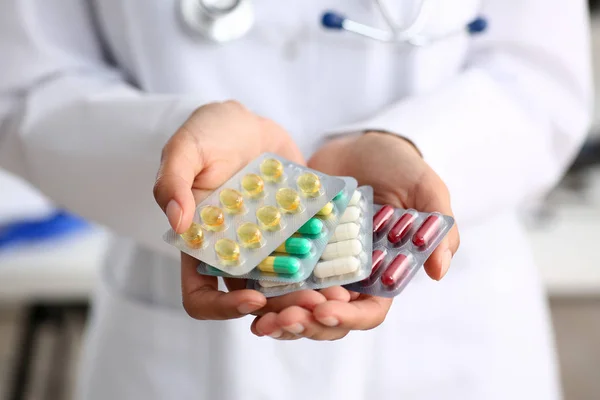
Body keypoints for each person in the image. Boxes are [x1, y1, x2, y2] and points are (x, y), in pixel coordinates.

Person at [0, 0, 591, 399]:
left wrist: (416, 144)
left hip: (448, 331)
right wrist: (177, 149)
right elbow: (27, 88)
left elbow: (538, 80)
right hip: (180, 348)